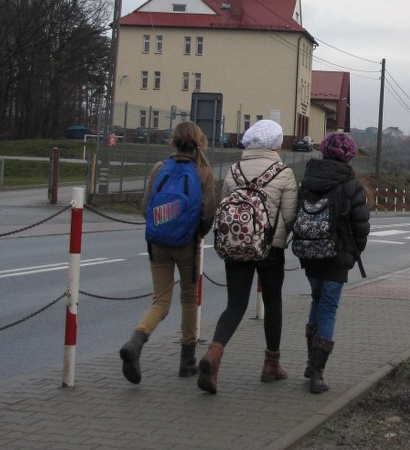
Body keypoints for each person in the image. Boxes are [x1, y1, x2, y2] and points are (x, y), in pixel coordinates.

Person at [198, 119, 298, 394]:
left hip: (236, 247)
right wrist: (277, 237)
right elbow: (289, 216)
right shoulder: (284, 173)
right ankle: (271, 365)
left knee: (235, 305)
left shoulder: (234, 171)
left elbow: (224, 208)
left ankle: (214, 354)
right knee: (273, 302)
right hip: (270, 249)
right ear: (275, 144)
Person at [119, 121, 216, 384]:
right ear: (199, 143)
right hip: (188, 245)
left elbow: (145, 208)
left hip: (158, 244)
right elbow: (207, 214)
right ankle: (187, 362)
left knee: (160, 302)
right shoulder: (203, 172)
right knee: (188, 298)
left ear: (172, 143)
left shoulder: (159, 169)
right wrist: (196, 233)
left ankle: (136, 342)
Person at [295, 132, 370, 393]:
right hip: (337, 257)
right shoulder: (351, 183)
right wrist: (352, 253)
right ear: (349, 155)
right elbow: (360, 226)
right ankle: (317, 372)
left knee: (316, 302)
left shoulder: (308, 178)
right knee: (328, 308)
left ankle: (310, 362)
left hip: (310, 252)